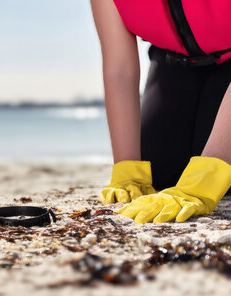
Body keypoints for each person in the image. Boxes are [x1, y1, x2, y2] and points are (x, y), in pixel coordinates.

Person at [91, 0, 231, 224]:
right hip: (175, 64)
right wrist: (127, 168)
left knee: (221, 178)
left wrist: (207, 177)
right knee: (162, 174)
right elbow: (120, 69)